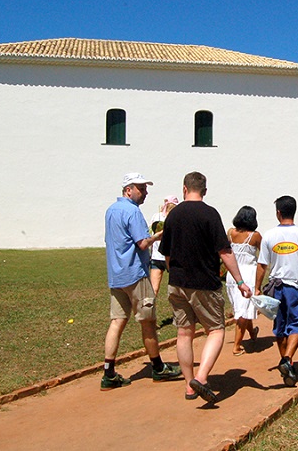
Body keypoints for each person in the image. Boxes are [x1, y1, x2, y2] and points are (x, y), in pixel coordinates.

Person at [158, 172, 252, 404]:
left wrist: (175, 274)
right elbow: (225, 251)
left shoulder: (173, 215)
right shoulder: (210, 214)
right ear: (205, 191)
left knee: (184, 333)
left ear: (184, 189)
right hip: (205, 284)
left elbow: (166, 254)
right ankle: (201, 376)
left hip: (178, 283)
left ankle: (190, 386)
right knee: (216, 330)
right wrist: (240, 281)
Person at [102, 172, 182, 391]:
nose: (145, 193)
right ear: (129, 190)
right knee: (147, 321)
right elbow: (143, 243)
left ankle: (108, 372)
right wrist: (160, 235)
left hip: (116, 274)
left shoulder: (111, 210)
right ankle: (158, 367)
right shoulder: (133, 212)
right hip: (135, 273)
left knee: (117, 321)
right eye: (141, 188)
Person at [255, 195, 298, 387]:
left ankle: (287, 362)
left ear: (278, 213)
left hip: (276, 288)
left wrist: (257, 287)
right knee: (296, 325)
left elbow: (262, 265)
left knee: (280, 327)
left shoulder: (269, 235)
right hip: (295, 288)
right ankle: (287, 359)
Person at [226, 206, 262, 356]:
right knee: (243, 310)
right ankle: (236, 345)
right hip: (248, 274)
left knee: (242, 307)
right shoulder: (255, 236)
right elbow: (263, 256)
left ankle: (252, 332)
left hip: (232, 274)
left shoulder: (230, 233)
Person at [149, 195, 179, 304]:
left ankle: (149, 313)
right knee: (177, 289)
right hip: (171, 256)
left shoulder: (156, 217)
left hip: (156, 256)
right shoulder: (176, 218)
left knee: (153, 289)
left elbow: (150, 232)